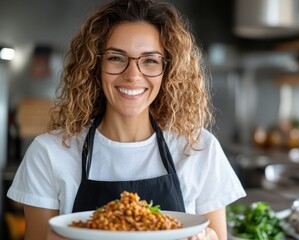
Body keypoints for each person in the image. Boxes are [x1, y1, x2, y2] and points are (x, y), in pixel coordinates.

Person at [6, 0, 246, 239]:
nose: (133, 75)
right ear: (94, 66)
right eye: (116, 58)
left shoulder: (199, 148)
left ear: (168, 70)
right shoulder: (49, 153)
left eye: (150, 60)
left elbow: (216, 235)